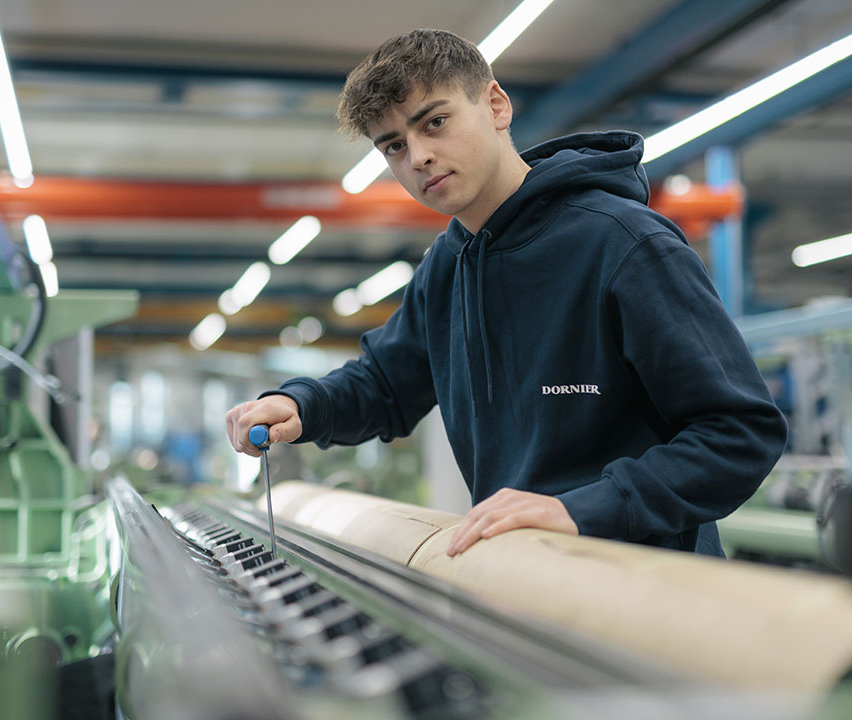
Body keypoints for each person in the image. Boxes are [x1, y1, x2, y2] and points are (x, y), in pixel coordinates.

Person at [226, 29, 787, 557]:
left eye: (435, 122)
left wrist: (581, 508)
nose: (417, 156)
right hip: (522, 583)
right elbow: (385, 386)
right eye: (393, 146)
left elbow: (739, 434)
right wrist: (303, 404)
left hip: (645, 593)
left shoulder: (622, 244)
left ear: (495, 105)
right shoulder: (447, 266)